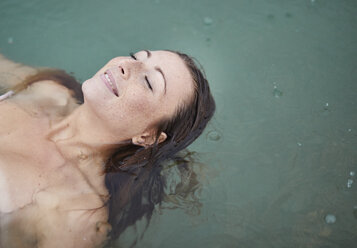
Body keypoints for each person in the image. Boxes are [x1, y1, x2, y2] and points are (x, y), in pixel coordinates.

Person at [0, 49, 215, 247]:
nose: (125, 65)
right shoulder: (48, 89)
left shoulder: (77, 213)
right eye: (135, 57)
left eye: (149, 82)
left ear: (148, 136)